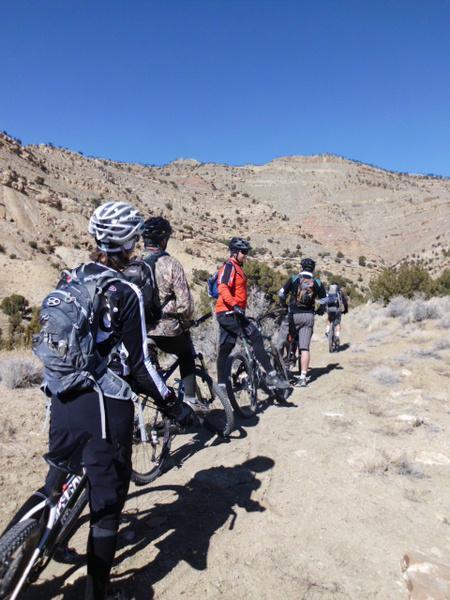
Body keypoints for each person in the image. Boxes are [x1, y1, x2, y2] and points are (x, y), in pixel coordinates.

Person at [37, 202, 181, 599]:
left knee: (61, 471)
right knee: (107, 504)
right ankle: (97, 593)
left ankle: (33, 542)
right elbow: (140, 368)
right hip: (105, 404)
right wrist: (171, 403)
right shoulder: (125, 290)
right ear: (130, 242)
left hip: (62, 393)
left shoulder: (70, 277)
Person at [141, 216, 208, 413]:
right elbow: (185, 304)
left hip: (142, 329)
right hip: (167, 328)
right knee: (186, 352)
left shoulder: (135, 264)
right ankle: (190, 399)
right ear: (164, 240)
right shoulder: (171, 264)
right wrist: (187, 321)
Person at [215, 236, 289, 390]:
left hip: (228, 313)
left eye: (246, 252)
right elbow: (222, 287)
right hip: (230, 313)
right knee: (255, 336)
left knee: (226, 347)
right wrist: (235, 305)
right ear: (234, 252)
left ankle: (222, 384)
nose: (245, 255)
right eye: (243, 252)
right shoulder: (230, 266)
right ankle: (271, 375)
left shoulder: (237, 267)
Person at [273, 258, 327, 387]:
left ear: (301, 267)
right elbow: (325, 300)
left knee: (280, 342)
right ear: (313, 269)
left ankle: (278, 372)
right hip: (308, 316)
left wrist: (284, 306)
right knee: (304, 348)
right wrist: (320, 310)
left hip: (293, 316)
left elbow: (281, 293)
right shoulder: (317, 282)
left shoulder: (294, 279)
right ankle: (303, 377)